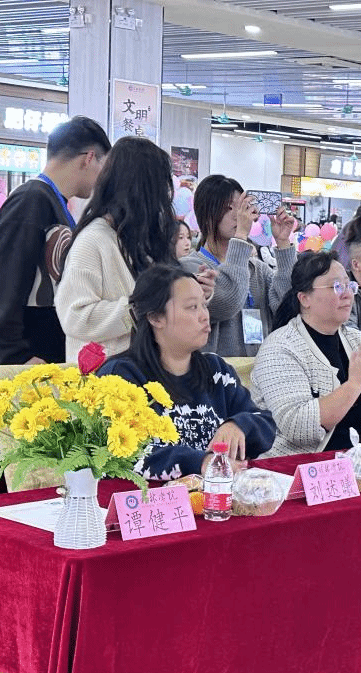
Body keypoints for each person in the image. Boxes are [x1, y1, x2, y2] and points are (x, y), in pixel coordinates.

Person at [98, 263, 275, 481]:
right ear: (156, 318)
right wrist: (200, 462)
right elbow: (121, 453)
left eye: (204, 305)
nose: (204, 316)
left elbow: (264, 422)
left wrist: (238, 425)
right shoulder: (120, 377)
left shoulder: (216, 371)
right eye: (192, 307)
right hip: (150, 499)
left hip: (215, 496)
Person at [251, 251, 361, 455]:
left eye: (350, 286)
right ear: (305, 298)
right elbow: (296, 427)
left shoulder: (360, 341)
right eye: (337, 286)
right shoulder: (280, 348)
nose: (348, 294)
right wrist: (355, 384)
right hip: (299, 467)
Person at [0, 115, 110, 365]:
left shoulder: (54, 202)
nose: (101, 179)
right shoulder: (31, 199)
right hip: (29, 359)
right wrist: (16, 355)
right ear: (89, 158)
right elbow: (3, 285)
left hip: (47, 354)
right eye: (103, 167)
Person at [55, 136, 177, 362]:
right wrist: (137, 308)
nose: (164, 198)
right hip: (106, 378)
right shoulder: (93, 240)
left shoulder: (143, 239)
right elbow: (75, 317)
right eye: (159, 187)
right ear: (140, 189)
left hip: (148, 370)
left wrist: (190, 292)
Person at [179, 174, 297, 357]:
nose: (238, 215)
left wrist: (283, 243)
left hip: (259, 369)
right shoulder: (189, 268)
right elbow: (228, 302)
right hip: (217, 372)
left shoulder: (257, 269)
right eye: (228, 208)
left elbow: (287, 308)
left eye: (241, 206)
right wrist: (241, 235)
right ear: (207, 214)